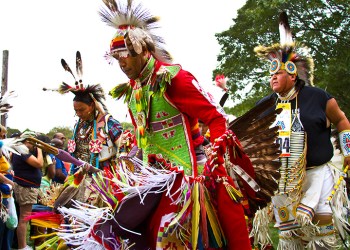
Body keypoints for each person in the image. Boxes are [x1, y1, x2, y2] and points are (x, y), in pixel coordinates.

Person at [102, 0, 253, 249]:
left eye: (126, 57)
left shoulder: (175, 79)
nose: (122, 64)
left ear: (142, 50)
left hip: (190, 177)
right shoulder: (132, 91)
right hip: (152, 181)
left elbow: (216, 117)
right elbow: (144, 139)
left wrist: (217, 158)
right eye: (117, 59)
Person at [254, 11, 350, 249]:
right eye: (271, 73)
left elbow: (342, 122)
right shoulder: (265, 106)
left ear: (292, 72)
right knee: (291, 238)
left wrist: (348, 151)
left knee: (322, 232)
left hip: (318, 174)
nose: (273, 76)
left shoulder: (318, 98)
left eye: (279, 72)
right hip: (283, 180)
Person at [11, 132, 43, 250]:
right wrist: (40, 150)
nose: (35, 145)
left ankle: (22, 245)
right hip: (26, 187)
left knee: (24, 218)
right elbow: (39, 163)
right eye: (33, 142)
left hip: (26, 186)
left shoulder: (19, 150)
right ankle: (22, 246)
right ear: (27, 141)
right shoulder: (23, 151)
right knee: (24, 218)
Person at [0, 125, 15, 250]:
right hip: (2, 193)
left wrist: (10, 172)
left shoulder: (2, 149)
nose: (4, 138)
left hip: (5, 193)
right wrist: (8, 181)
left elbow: (5, 166)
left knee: (5, 226)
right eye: (2, 135)